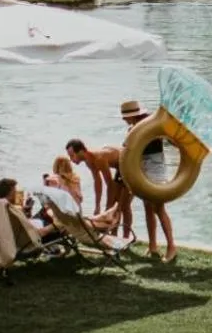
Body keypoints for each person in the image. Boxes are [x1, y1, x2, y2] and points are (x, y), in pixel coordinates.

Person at [120, 99, 176, 263]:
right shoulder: (133, 129)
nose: (124, 120)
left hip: (156, 171)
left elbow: (171, 139)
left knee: (159, 208)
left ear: (133, 115)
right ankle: (152, 246)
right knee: (147, 209)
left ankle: (172, 247)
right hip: (142, 171)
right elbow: (128, 151)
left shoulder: (152, 125)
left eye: (125, 117)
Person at [65, 137, 132, 238]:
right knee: (114, 207)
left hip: (129, 162)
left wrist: (108, 206)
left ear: (82, 151)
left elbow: (110, 184)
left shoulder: (99, 158)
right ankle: (114, 236)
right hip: (120, 167)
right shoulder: (88, 161)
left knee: (123, 205)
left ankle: (126, 237)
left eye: (72, 155)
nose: (71, 159)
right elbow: (98, 182)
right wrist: (97, 206)